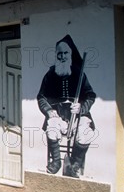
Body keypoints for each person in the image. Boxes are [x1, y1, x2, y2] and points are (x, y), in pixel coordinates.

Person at [37, 35, 96, 178]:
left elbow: (90, 95)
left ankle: (75, 165)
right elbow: (41, 97)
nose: (62, 56)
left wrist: (81, 108)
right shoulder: (50, 75)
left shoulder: (79, 74)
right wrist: (49, 110)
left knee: (86, 133)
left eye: (65, 53)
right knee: (51, 128)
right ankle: (56, 162)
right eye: (59, 53)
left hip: (78, 117)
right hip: (59, 116)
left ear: (70, 54)